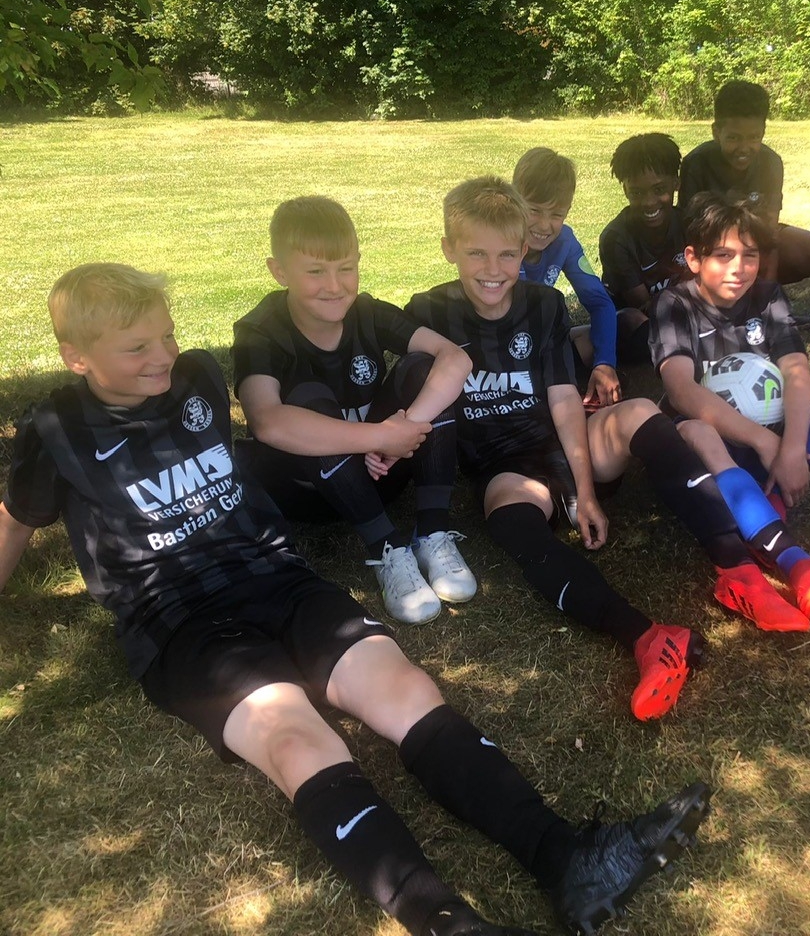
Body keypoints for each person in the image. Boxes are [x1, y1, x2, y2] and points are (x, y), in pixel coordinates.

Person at [0, 262, 711, 936]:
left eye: (168, 334)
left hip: (278, 576)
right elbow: (15, 521)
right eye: (137, 348)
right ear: (76, 357)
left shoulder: (196, 377)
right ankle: (448, 922)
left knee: (404, 689)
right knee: (293, 734)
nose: (164, 355)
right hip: (179, 618)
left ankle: (567, 859)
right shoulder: (54, 433)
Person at [406, 177, 810, 719]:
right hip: (504, 466)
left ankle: (739, 573)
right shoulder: (426, 310)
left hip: (567, 440)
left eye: (506, 254)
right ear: (448, 249)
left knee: (641, 411)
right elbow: (402, 375)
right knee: (510, 520)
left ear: (524, 251)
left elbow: (563, 399)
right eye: (476, 253)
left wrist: (586, 491)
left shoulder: (544, 304)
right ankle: (649, 639)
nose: (492, 268)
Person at [232, 196, 476, 625]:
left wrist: (406, 430)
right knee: (304, 398)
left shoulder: (367, 312)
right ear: (279, 271)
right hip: (309, 491)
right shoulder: (260, 331)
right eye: (315, 271)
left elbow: (455, 358)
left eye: (345, 267)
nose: (334, 285)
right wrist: (379, 436)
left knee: (424, 368)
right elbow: (267, 421)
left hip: (381, 470)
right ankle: (385, 547)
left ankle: (433, 531)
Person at [650, 194, 810, 623]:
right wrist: (764, 441)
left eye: (749, 255)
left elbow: (796, 371)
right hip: (713, 447)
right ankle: (795, 561)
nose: (739, 268)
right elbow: (680, 391)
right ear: (693, 259)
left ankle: (768, 499)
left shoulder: (768, 296)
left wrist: (792, 447)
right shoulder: (674, 305)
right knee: (696, 429)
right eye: (723, 255)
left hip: (774, 437)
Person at [678, 80, 810, 285]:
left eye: (753, 137)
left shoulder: (771, 163)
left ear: (763, 132)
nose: (744, 148)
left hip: (756, 238)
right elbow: (688, 232)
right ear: (716, 133)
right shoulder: (696, 163)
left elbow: (771, 229)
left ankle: (758, 285)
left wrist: (768, 285)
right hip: (713, 244)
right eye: (733, 138)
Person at [512, 148, 622, 410]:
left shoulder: (564, 241)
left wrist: (605, 363)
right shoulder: (498, 240)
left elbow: (599, 302)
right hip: (500, 346)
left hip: (538, 341)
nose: (544, 225)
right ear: (513, 201)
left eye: (556, 215)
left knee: (620, 328)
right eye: (534, 210)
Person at [597, 132, 688, 365]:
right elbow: (647, 307)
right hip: (636, 318)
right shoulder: (615, 239)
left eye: (659, 190)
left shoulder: (689, 224)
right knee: (636, 322)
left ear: (676, 183)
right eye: (637, 193)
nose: (648, 202)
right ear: (625, 190)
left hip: (677, 310)